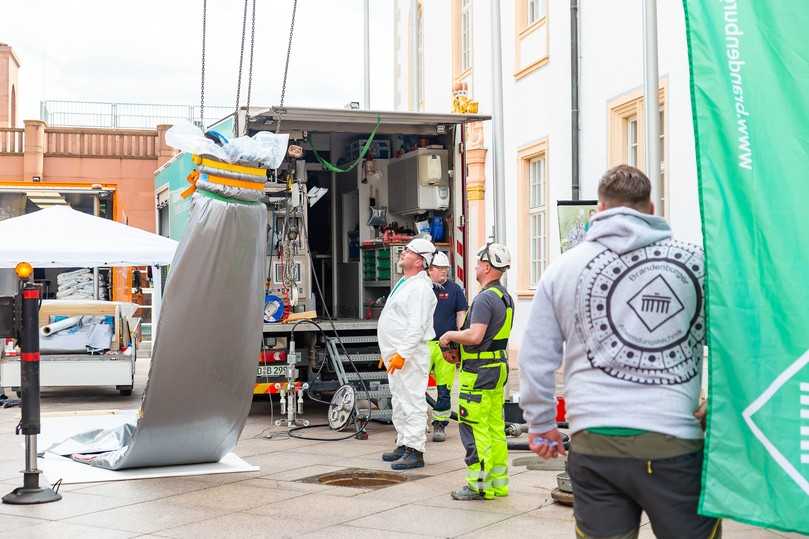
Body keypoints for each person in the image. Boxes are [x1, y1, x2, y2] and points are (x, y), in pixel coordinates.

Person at [519, 164, 719, 538]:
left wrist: (542, 424)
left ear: (599, 210)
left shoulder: (563, 269)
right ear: (653, 208)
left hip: (595, 445)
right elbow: (735, 339)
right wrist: (724, 401)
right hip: (674, 443)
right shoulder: (696, 262)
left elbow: (536, 359)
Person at [439, 242, 514, 501]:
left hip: (478, 372)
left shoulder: (484, 298)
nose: (476, 265)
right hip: (496, 368)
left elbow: (475, 335)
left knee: (473, 429)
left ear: (488, 266)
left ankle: (478, 486)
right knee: (494, 429)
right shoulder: (504, 297)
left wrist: (448, 335)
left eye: (480, 261)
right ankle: (497, 484)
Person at [378, 237, 438, 470]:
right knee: (400, 399)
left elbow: (416, 326)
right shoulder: (406, 282)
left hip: (410, 356)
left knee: (412, 400)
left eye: (408, 251)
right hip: (397, 355)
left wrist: (402, 353)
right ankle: (403, 443)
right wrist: (390, 352)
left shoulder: (421, 288)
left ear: (420, 261)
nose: (403, 253)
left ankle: (415, 450)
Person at [426, 251, 467, 442]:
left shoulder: (455, 290)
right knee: (415, 387)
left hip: (446, 346)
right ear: (430, 270)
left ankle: (439, 424)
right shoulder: (422, 288)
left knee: (444, 388)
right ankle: (415, 425)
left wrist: (462, 340)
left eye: (446, 269)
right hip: (423, 344)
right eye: (440, 269)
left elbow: (461, 315)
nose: (443, 273)